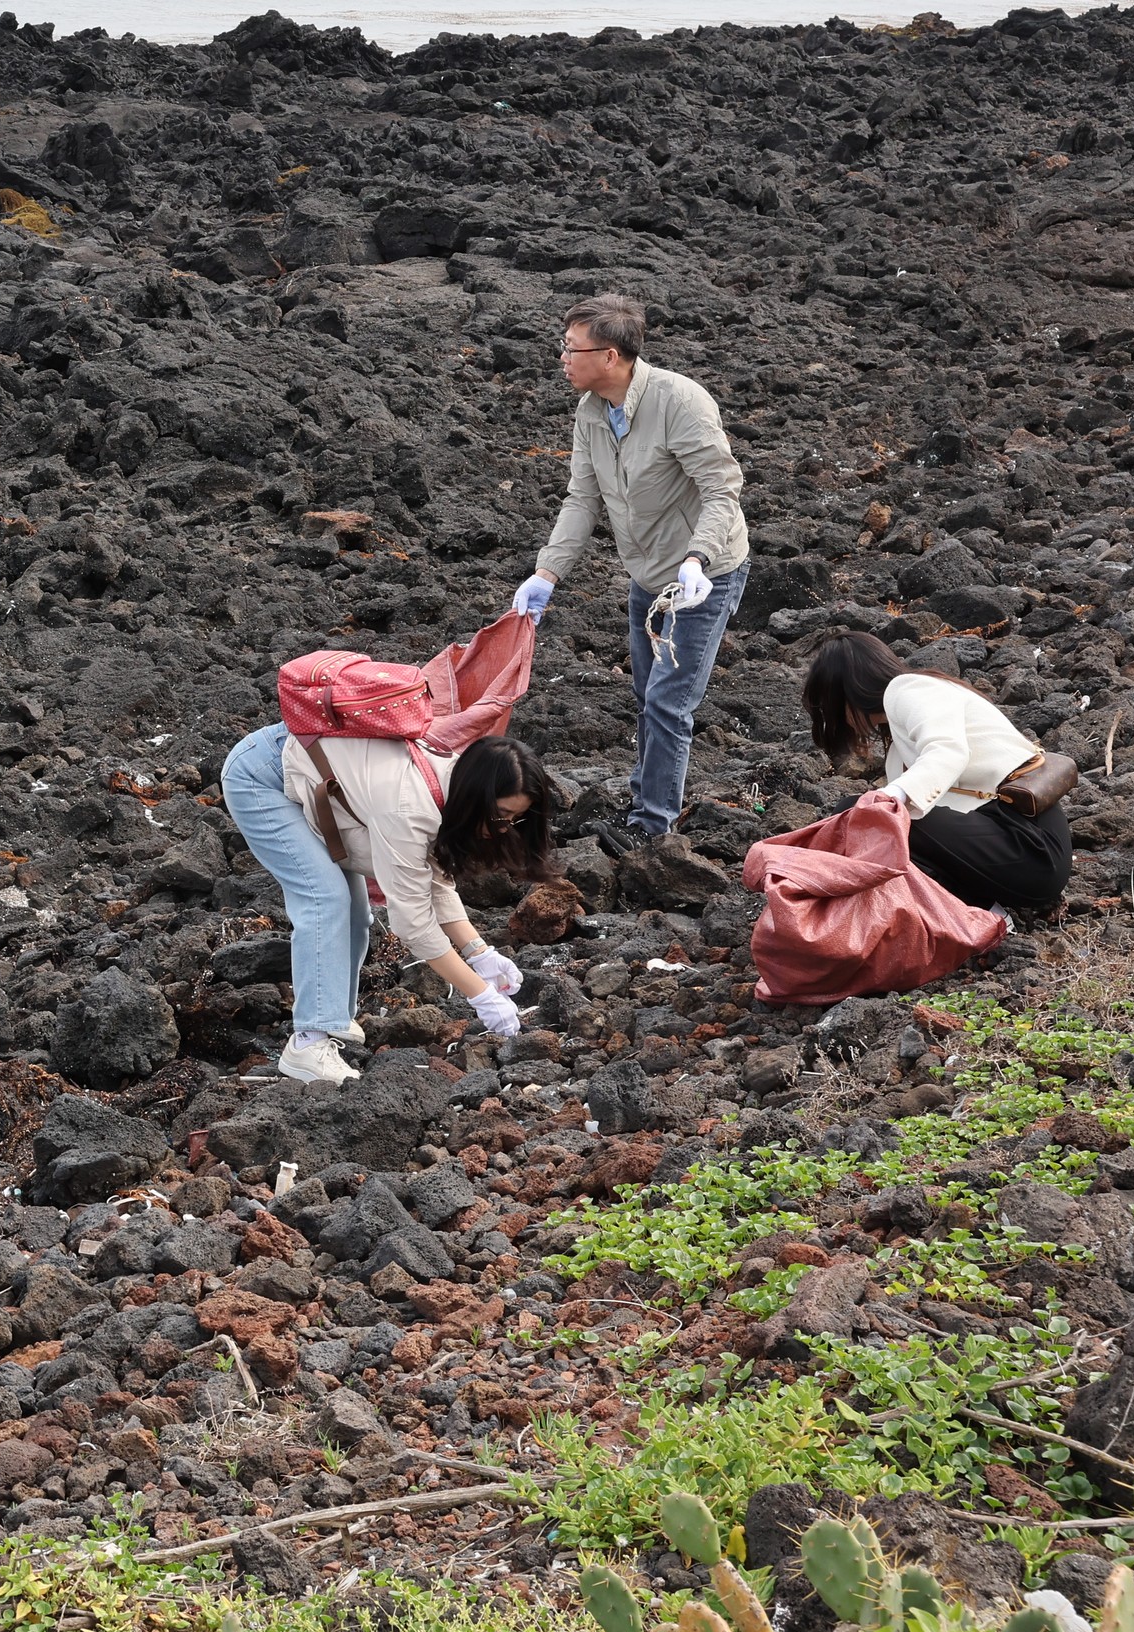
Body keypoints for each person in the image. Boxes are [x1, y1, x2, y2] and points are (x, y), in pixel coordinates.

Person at [512, 294, 749, 849]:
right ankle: (647, 804)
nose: (563, 359)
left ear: (611, 355)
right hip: (647, 576)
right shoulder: (592, 412)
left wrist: (699, 560)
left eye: (572, 349)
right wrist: (547, 572)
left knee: (669, 700)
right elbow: (582, 498)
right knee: (647, 694)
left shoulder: (680, 401)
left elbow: (722, 488)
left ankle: (652, 828)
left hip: (701, 579)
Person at [217, 723, 553, 1086]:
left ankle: (330, 1016)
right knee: (324, 898)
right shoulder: (409, 807)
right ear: (478, 795)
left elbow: (431, 880)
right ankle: (308, 1043)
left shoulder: (452, 783)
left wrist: (480, 952)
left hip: (305, 767)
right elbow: (413, 924)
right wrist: (481, 994)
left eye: (514, 819)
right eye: (500, 816)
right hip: (261, 776)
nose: (504, 828)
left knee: (356, 913)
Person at [801, 631, 1071, 918]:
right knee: (876, 821)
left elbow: (948, 752)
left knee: (859, 813)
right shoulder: (898, 747)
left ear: (844, 692)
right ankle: (982, 913)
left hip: (1030, 842)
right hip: (1013, 852)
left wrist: (887, 798)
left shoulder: (909, 690)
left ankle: (979, 914)